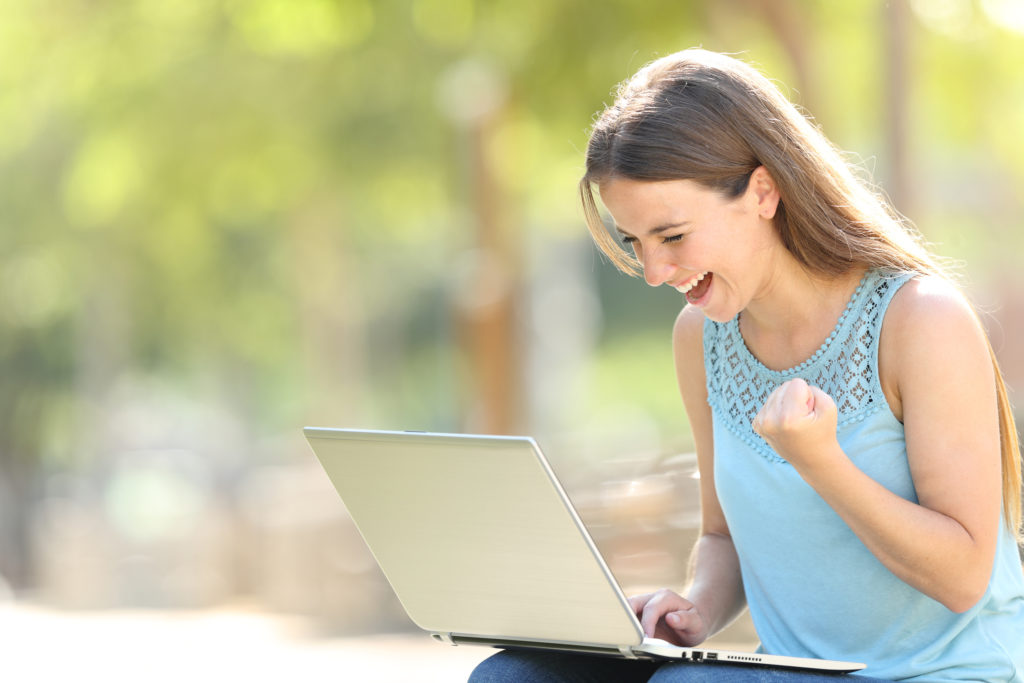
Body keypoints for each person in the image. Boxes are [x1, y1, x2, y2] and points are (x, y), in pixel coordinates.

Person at [469, 48, 1024, 682]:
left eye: (673, 237)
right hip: (793, 671)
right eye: (636, 243)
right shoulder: (701, 337)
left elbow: (962, 577)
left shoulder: (920, 320)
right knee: (513, 677)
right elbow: (722, 537)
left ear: (763, 191)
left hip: (934, 674)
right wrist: (695, 610)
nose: (654, 273)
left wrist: (820, 461)